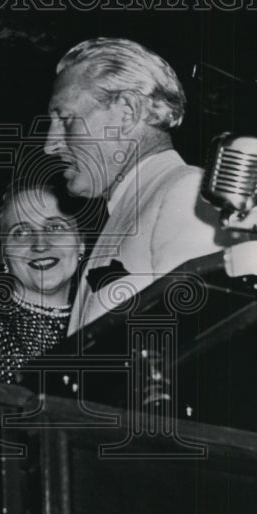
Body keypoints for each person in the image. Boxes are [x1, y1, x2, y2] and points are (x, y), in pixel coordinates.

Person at [43, 37, 222, 333]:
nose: (50, 145)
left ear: (126, 112)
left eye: (65, 118)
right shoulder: (130, 209)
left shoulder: (186, 192)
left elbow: (200, 342)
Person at [0, 179, 85, 384]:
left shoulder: (101, 326)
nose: (40, 244)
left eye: (55, 227)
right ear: (3, 253)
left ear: (81, 242)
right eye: (21, 232)